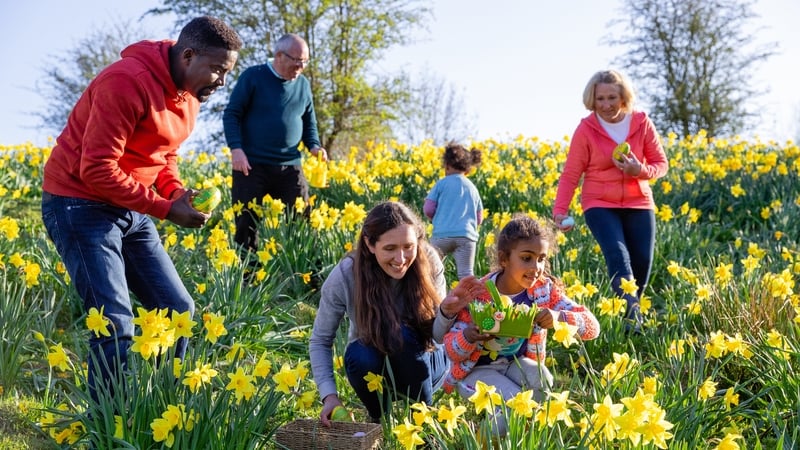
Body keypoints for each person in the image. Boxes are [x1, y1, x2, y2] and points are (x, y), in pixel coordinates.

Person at [40, 17, 242, 400]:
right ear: (187, 55)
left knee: (177, 309)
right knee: (115, 322)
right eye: (216, 69)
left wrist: (176, 194)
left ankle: (161, 406)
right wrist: (166, 210)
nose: (220, 81)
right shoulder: (127, 81)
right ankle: (107, 426)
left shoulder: (189, 97)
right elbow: (96, 167)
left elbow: (165, 154)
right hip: (78, 203)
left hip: (129, 205)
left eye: (226, 72)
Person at [309, 201, 483, 425]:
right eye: (390, 248)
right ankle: (378, 419)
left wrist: (446, 312)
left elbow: (438, 338)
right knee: (363, 353)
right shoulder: (346, 275)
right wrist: (329, 396)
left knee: (401, 334)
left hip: (427, 361)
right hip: (375, 363)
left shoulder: (429, 261)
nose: (401, 259)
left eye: (408, 246)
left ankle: (422, 422)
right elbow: (320, 340)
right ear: (370, 244)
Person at [442, 214, 600, 434]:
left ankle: (522, 436)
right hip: (475, 371)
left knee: (544, 382)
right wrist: (468, 336)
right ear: (504, 259)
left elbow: (592, 327)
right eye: (527, 258)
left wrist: (559, 318)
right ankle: (485, 442)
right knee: (515, 404)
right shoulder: (480, 294)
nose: (536, 267)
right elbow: (451, 350)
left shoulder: (543, 291)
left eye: (542, 258)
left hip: (516, 363)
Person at [553, 69, 668, 331]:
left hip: (639, 202)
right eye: (600, 99)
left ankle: (632, 313)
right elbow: (571, 173)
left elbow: (661, 164)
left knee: (641, 263)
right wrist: (560, 211)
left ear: (623, 97)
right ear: (592, 100)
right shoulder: (586, 129)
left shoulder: (641, 122)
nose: (605, 105)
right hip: (599, 203)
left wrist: (639, 171)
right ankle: (632, 322)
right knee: (618, 256)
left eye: (612, 98)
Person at [223, 33, 327, 258]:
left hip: (290, 165)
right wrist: (236, 149)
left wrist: (315, 146)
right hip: (250, 164)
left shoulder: (303, 85)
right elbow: (232, 114)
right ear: (279, 55)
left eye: (305, 61)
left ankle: (304, 276)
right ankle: (249, 282)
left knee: (302, 222)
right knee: (246, 225)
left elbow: (309, 121)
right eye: (297, 60)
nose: (301, 66)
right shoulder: (253, 76)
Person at [424, 142, 484, 279]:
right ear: (468, 170)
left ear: (447, 166)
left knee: (433, 271)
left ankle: (434, 299)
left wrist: (436, 219)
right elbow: (479, 217)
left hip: (441, 235)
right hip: (466, 237)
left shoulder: (441, 183)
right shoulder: (472, 188)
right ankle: (470, 300)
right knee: (466, 274)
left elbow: (428, 209)